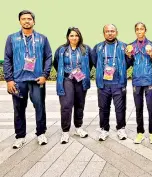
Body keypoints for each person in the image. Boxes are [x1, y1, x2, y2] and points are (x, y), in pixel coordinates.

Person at [3, 10, 52, 149]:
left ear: (34, 21)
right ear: (20, 21)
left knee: (40, 107)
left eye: (29, 19)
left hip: (37, 80)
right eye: (23, 19)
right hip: (18, 81)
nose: (26, 21)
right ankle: (20, 136)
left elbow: (48, 56)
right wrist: (9, 80)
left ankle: (41, 133)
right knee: (18, 109)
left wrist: (45, 75)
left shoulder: (42, 38)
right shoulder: (11, 38)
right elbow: (7, 59)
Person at [54, 27, 93, 144]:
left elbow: (90, 64)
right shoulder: (61, 50)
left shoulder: (86, 49)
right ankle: (65, 131)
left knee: (80, 104)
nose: (74, 38)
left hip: (80, 79)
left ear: (79, 36)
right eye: (71, 35)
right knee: (66, 105)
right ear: (67, 37)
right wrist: (66, 73)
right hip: (67, 79)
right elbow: (56, 63)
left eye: (76, 35)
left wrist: (82, 73)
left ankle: (78, 127)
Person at [91, 24, 130, 141]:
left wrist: (120, 69)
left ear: (116, 32)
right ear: (104, 33)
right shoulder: (97, 47)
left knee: (120, 108)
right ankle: (104, 129)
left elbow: (129, 61)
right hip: (103, 84)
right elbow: (94, 61)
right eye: (107, 31)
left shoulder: (124, 46)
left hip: (119, 83)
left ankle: (121, 129)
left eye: (112, 31)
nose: (110, 33)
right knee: (103, 108)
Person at [126, 22, 152, 144]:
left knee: (151, 108)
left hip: (149, 79)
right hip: (136, 81)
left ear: (145, 30)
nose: (139, 31)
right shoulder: (131, 45)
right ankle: (140, 133)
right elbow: (129, 63)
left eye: (141, 29)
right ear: (135, 31)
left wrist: (151, 54)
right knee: (138, 108)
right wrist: (129, 55)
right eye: (137, 29)